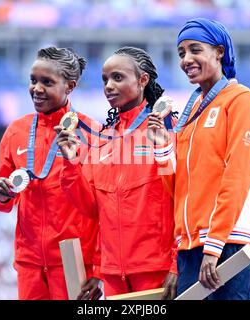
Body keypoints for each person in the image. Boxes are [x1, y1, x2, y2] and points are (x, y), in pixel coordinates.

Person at [147, 18, 250, 300]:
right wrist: (164, 149)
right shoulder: (190, 112)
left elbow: (237, 175)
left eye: (195, 50)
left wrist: (213, 246)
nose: (186, 59)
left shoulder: (241, 100)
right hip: (191, 247)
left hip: (229, 244)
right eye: (181, 53)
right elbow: (177, 192)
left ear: (220, 52)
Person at [55, 47, 178, 299]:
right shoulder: (102, 141)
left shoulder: (168, 129)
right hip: (113, 275)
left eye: (118, 77)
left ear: (143, 80)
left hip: (156, 270)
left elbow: (183, 198)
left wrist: (177, 264)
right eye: (105, 79)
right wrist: (70, 164)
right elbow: (92, 210)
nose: (108, 86)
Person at [0, 46, 102, 300]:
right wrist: (4, 193)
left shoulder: (92, 133)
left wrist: (97, 267)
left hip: (73, 260)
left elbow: (101, 209)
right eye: (33, 80)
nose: (37, 89)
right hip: (29, 260)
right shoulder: (16, 130)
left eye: (47, 82)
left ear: (70, 86)